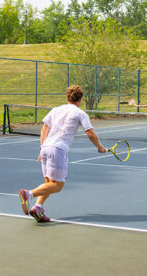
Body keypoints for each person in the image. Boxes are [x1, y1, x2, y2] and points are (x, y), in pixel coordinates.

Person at [19, 85, 107, 222]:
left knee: (49, 182)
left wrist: (42, 148)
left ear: (67, 97)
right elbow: (90, 133)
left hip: (45, 147)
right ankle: (29, 194)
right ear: (81, 99)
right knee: (57, 186)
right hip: (58, 149)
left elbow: (44, 130)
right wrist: (100, 147)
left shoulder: (56, 110)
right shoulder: (80, 113)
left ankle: (38, 207)